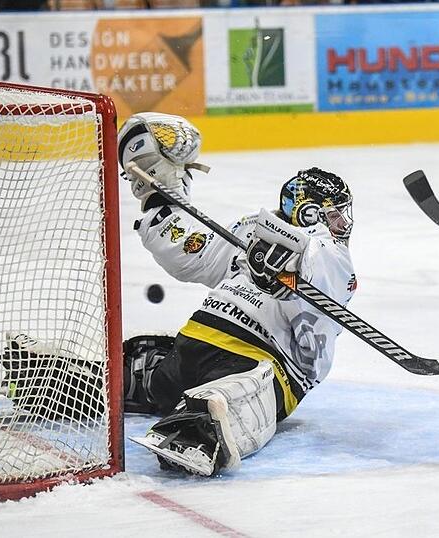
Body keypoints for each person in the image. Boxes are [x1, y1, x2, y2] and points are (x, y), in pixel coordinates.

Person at [116, 112, 357, 476]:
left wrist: (291, 267)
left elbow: (319, 291)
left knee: (198, 389)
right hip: (221, 351)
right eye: (336, 214)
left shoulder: (318, 253)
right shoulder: (262, 234)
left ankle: (190, 414)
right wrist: (160, 199)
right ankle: (183, 416)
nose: (345, 223)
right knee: (205, 389)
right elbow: (195, 254)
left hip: (225, 354)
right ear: (309, 213)